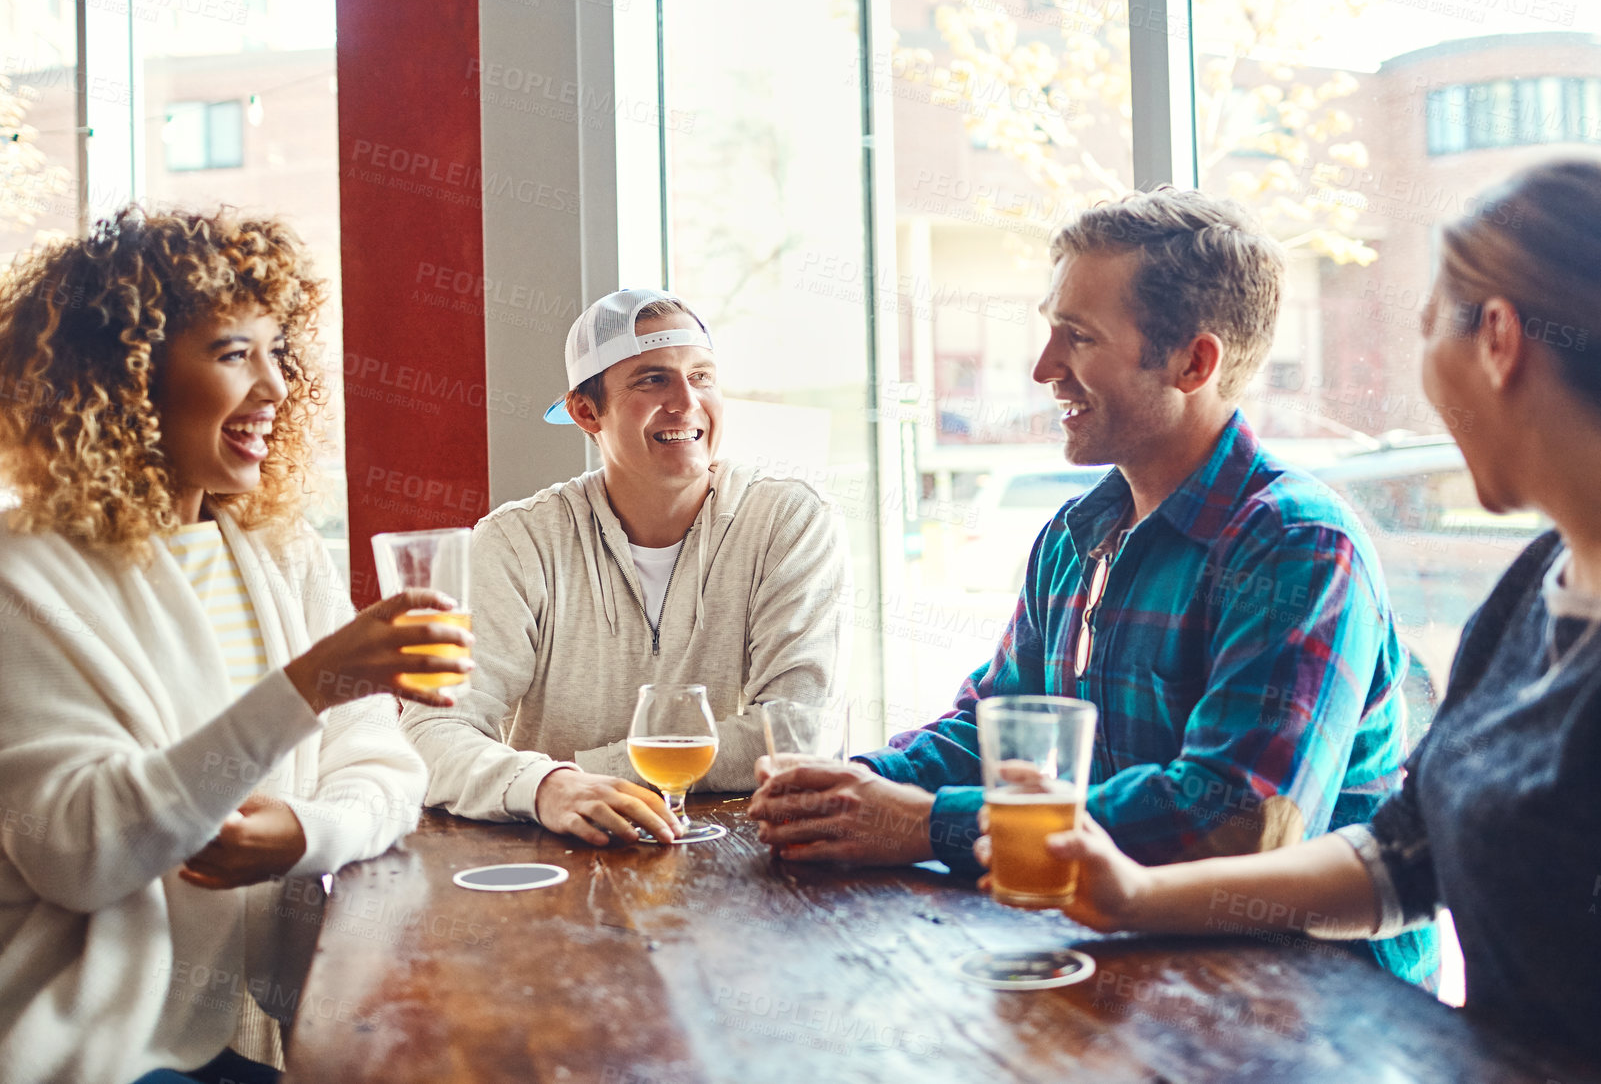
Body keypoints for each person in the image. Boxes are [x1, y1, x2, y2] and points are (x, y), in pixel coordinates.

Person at [989, 154, 1601, 1083]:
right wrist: (1138, 895)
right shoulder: (1548, 574)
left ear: (1500, 339)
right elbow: (1402, 856)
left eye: (1428, 333)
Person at [748, 188, 1435, 984]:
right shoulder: (1074, 535)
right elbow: (991, 729)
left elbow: (1240, 822)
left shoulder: (1298, 545)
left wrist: (927, 826)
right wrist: (854, 789)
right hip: (1132, 974)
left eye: (1077, 337)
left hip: (1315, 1011)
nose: (1043, 368)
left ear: (1195, 362)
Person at [0, 207, 468, 1084]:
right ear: (125, 380)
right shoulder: (21, 580)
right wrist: (309, 684)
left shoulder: (277, 550)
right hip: (103, 1052)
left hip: (275, 1034)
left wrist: (305, 833)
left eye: (275, 350)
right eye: (232, 354)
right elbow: (83, 850)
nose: (276, 388)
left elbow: (384, 764)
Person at [402, 288, 847, 846]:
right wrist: (548, 788)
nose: (686, 402)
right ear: (586, 411)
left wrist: (579, 770)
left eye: (702, 376)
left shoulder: (790, 520)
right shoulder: (517, 541)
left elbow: (795, 731)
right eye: (652, 379)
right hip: (563, 852)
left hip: (749, 850)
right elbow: (431, 730)